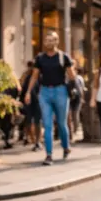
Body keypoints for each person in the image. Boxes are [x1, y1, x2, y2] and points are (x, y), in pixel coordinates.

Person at [24, 31, 75, 165]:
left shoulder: (64, 57)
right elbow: (35, 76)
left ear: (57, 41)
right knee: (47, 125)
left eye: (52, 40)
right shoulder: (40, 58)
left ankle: (65, 147)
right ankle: (49, 155)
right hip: (45, 92)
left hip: (61, 91)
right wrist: (28, 92)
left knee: (62, 123)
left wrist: (73, 89)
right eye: (47, 40)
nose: (49, 43)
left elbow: (72, 76)